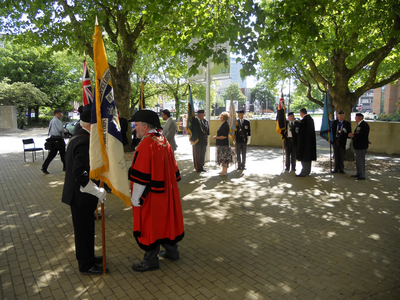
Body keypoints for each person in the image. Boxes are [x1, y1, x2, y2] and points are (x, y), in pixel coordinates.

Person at [128, 109, 184, 272]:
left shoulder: (146, 144)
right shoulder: (163, 141)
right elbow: (174, 169)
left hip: (152, 195)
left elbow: (141, 175)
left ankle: (150, 261)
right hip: (166, 192)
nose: (135, 128)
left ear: (145, 127)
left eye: (136, 125)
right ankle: (173, 252)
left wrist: (135, 197)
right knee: (166, 222)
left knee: (150, 226)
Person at [61, 110, 107, 275]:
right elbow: (80, 174)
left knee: (86, 229)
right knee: (83, 230)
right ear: (91, 125)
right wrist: (96, 191)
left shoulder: (79, 135)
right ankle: (86, 264)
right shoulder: (83, 141)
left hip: (81, 196)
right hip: (80, 196)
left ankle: (87, 256)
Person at [41, 108, 68, 174]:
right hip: (58, 139)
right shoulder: (57, 121)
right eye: (60, 114)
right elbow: (60, 129)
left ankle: (44, 167)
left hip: (53, 139)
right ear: (56, 114)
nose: (61, 115)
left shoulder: (52, 120)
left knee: (51, 155)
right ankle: (66, 167)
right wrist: (66, 131)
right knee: (63, 154)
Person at [348, 113, 370, 180]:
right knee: (358, 160)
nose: (355, 119)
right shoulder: (359, 125)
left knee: (361, 160)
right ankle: (358, 173)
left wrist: (354, 135)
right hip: (358, 145)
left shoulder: (364, 125)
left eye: (356, 118)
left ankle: (362, 175)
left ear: (360, 118)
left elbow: (363, 135)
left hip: (361, 146)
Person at [296, 108, 317, 177]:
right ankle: (307, 171)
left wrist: (298, 124)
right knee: (308, 158)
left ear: (301, 113)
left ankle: (304, 172)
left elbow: (301, 131)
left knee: (304, 157)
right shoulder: (310, 119)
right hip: (310, 142)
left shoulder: (304, 121)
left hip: (304, 142)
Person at [213, 112, 234, 176]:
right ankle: (223, 170)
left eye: (221, 117)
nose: (220, 117)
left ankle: (225, 171)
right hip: (220, 144)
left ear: (224, 118)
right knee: (222, 158)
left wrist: (217, 137)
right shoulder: (222, 124)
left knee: (225, 158)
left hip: (224, 144)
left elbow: (224, 136)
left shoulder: (225, 125)